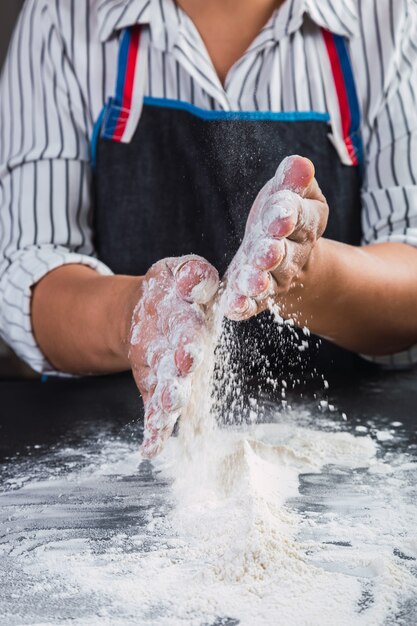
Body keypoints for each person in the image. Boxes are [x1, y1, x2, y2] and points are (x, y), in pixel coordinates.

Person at [1, 0, 417, 457]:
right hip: (109, 453)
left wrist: (303, 269)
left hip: (350, 451)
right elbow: (31, 270)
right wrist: (135, 315)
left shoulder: (389, 18)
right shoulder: (64, 16)